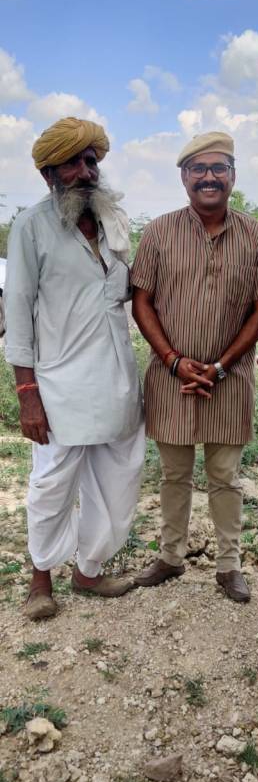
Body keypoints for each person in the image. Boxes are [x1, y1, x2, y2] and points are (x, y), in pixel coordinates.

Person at [4, 116, 145, 621]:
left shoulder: (114, 221)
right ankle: (41, 578)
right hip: (59, 383)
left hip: (118, 380)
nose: (87, 171)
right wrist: (27, 392)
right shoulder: (31, 227)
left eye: (92, 161)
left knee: (119, 479)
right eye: (74, 162)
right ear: (49, 174)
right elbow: (18, 312)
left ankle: (88, 570)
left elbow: (133, 296)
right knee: (52, 485)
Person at [131, 131, 258, 603]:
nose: (209, 177)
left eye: (219, 168)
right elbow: (142, 301)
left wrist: (219, 364)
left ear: (233, 176)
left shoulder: (256, 235)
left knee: (226, 477)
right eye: (199, 169)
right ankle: (170, 557)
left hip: (228, 381)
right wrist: (174, 361)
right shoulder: (158, 231)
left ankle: (228, 565)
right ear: (184, 177)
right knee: (173, 475)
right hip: (169, 378)